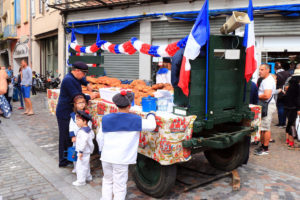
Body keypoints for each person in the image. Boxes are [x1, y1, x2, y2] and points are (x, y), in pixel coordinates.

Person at [97, 91, 157, 200]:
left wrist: (101, 150)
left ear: (116, 105)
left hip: (106, 157)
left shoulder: (106, 119)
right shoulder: (136, 120)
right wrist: (151, 114)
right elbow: (152, 125)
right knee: (119, 186)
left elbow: (99, 137)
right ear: (130, 106)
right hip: (121, 159)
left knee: (107, 180)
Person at [56, 61, 96, 167]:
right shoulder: (68, 80)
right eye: (83, 73)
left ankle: (70, 158)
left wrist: (87, 83)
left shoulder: (74, 76)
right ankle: (63, 161)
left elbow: (81, 79)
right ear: (77, 71)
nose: (84, 76)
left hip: (70, 110)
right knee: (65, 136)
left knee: (70, 137)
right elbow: (77, 96)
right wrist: (91, 96)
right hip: (64, 111)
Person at [255, 64, 276, 156]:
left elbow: (267, 95)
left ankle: (265, 149)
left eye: (262, 69)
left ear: (268, 70)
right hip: (266, 105)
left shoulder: (267, 81)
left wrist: (256, 96)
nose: (260, 71)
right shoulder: (266, 80)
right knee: (263, 128)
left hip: (267, 105)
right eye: (259, 69)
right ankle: (263, 146)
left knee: (266, 128)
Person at [69, 94, 92, 174]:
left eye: (83, 102)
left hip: (84, 138)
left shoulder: (87, 115)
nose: (81, 104)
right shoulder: (73, 116)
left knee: (83, 154)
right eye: (79, 103)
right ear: (75, 104)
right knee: (74, 153)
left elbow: (89, 126)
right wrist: (72, 135)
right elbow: (71, 126)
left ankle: (85, 171)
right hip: (76, 138)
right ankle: (75, 167)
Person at [72, 110, 95, 186]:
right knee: (86, 164)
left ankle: (81, 181)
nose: (76, 122)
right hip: (87, 151)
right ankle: (88, 176)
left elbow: (83, 143)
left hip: (83, 151)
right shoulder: (88, 130)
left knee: (80, 166)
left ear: (84, 121)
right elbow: (92, 136)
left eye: (78, 120)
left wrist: (80, 151)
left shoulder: (83, 132)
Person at [284, 69, 300, 149]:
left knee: (289, 123)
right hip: (294, 108)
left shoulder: (290, 87)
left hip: (287, 107)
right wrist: (298, 109)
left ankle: (288, 140)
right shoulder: (297, 87)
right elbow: (298, 99)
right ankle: (291, 142)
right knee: (292, 124)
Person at [275, 62, 290, 127]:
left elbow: (275, 84)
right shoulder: (289, 74)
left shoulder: (277, 75)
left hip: (280, 93)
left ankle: (281, 123)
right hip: (287, 93)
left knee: (280, 108)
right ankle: (284, 123)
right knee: (285, 108)